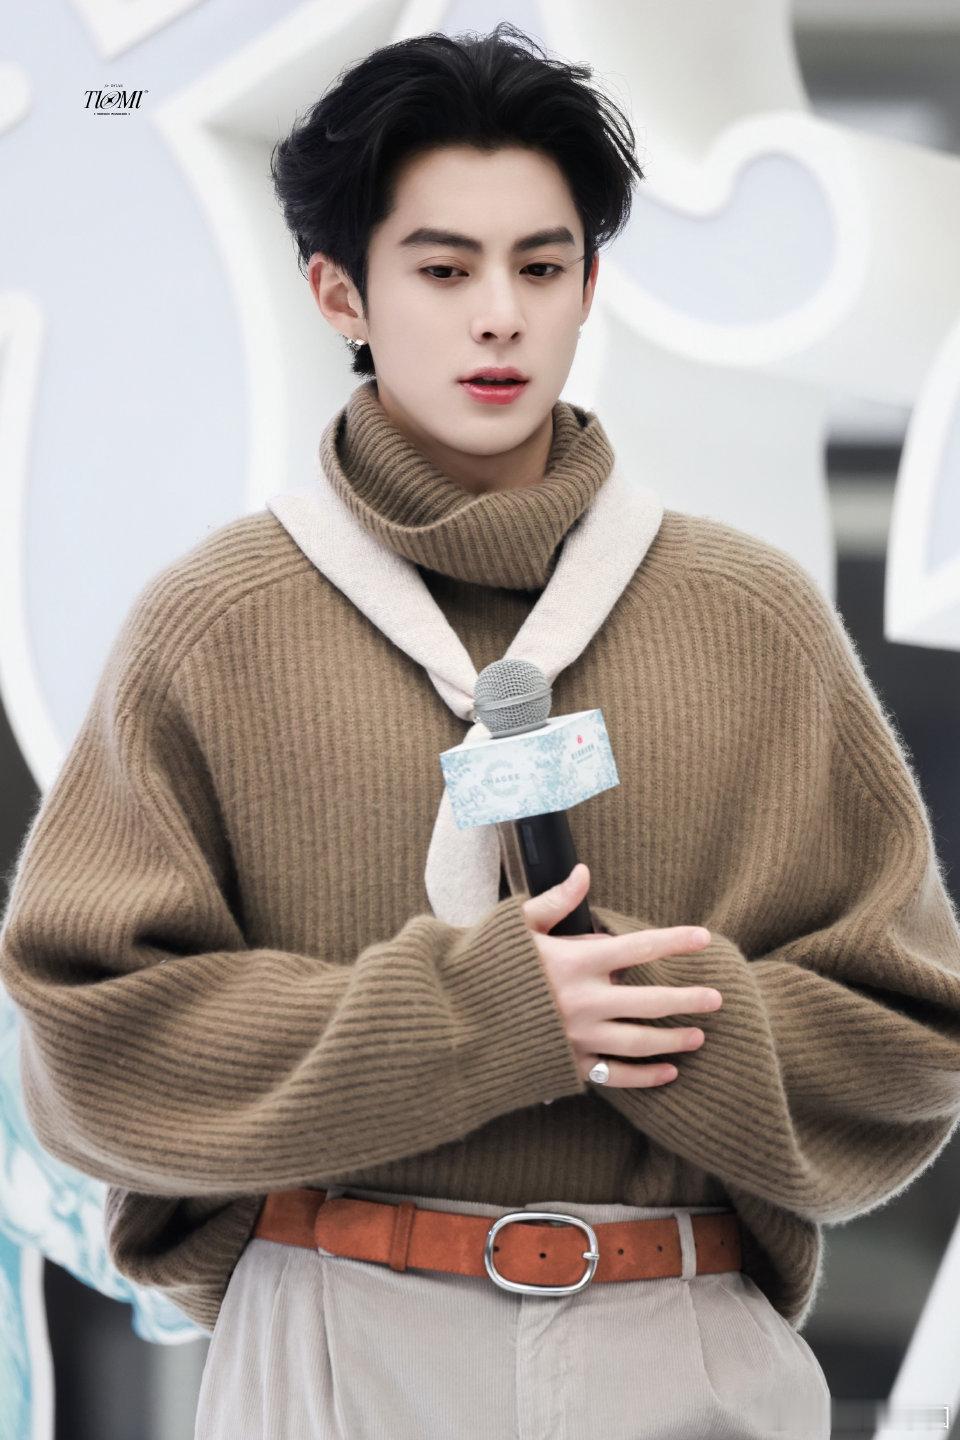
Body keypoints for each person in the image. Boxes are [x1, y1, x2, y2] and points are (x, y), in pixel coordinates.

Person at [3, 21, 960, 1440]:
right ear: (341, 291)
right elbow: (93, 1048)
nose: (499, 317)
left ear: (590, 287)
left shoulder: (752, 619)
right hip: (329, 1332)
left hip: (678, 1330)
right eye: (444, 270)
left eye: (542, 267)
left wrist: (657, 1019)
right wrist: (484, 1018)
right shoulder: (216, 624)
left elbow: (913, 1039)